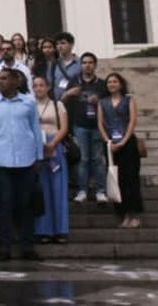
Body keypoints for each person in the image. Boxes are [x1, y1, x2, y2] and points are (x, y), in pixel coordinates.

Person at [0, 68, 45, 261]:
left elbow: (35, 129)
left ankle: (28, 246)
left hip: (26, 159)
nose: (0, 82)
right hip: (2, 161)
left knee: (26, 205)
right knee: (5, 204)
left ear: (15, 81)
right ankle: (4, 246)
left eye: (4, 79)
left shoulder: (29, 102)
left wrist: (39, 156)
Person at [99, 73, 143, 228]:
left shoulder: (129, 100)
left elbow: (132, 121)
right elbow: (100, 124)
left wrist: (124, 141)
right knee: (117, 180)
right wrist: (108, 142)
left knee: (131, 179)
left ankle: (134, 214)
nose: (111, 84)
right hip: (111, 145)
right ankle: (123, 214)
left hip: (128, 143)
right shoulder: (102, 102)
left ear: (121, 84)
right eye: (109, 82)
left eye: (114, 81)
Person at [64, 52, 107, 204]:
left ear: (95, 65)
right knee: (83, 159)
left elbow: (109, 104)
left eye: (90, 62)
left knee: (97, 159)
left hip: (97, 126)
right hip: (79, 125)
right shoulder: (74, 82)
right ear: (80, 65)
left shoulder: (102, 84)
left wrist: (99, 102)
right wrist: (69, 93)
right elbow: (63, 102)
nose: (87, 65)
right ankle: (82, 190)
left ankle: (100, 191)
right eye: (84, 63)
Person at [33, 75, 70, 243]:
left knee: (58, 188)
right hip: (37, 148)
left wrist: (53, 143)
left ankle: (60, 230)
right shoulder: (30, 106)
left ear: (48, 87)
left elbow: (64, 127)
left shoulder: (58, 105)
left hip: (55, 147)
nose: (38, 88)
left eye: (41, 85)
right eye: (35, 86)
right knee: (42, 189)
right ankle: (43, 230)